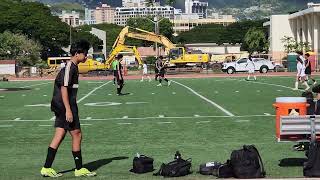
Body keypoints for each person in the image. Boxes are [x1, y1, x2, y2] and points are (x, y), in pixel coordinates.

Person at [40, 40, 96, 177]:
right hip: (64, 106)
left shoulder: (73, 67)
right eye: (85, 54)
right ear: (77, 54)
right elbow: (64, 89)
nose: (86, 56)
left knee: (59, 135)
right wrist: (69, 110)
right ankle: (78, 169)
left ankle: (46, 168)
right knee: (77, 134)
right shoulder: (70, 67)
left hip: (63, 105)